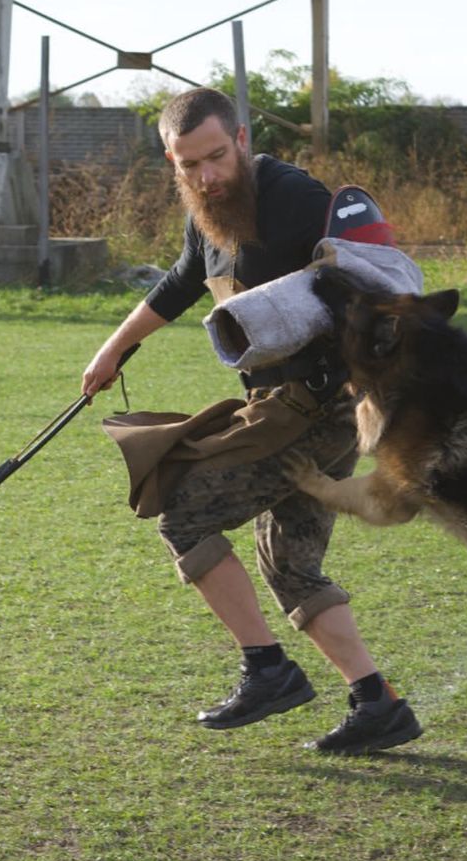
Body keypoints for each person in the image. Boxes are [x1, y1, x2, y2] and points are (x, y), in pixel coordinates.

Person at [82, 87, 422, 755]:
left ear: (240, 140)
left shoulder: (295, 197)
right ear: (172, 163)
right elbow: (181, 280)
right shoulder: (205, 211)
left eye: (215, 157)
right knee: (290, 564)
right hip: (287, 409)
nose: (206, 176)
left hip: (311, 409)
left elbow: (366, 284)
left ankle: (267, 669)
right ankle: (376, 703)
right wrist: (114, 348)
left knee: (181, 510)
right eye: (188, 166)